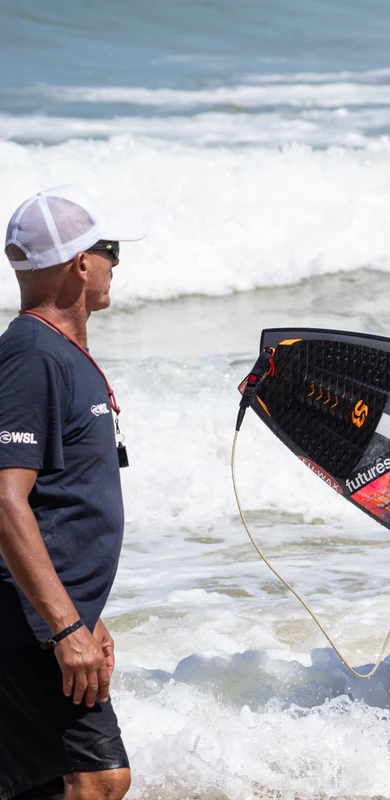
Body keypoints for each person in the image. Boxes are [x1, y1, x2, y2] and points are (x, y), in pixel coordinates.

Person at [0, 186, 145, 800]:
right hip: (28, 625)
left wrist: (89, 614)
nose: (116, 263)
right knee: (99, 780)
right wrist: (64, 627)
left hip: (41, 615)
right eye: (107, 249)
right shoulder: (33, 356)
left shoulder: (59, 352)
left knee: (46, 784)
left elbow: (55, 503)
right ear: (78, 264)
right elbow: (6, 499)